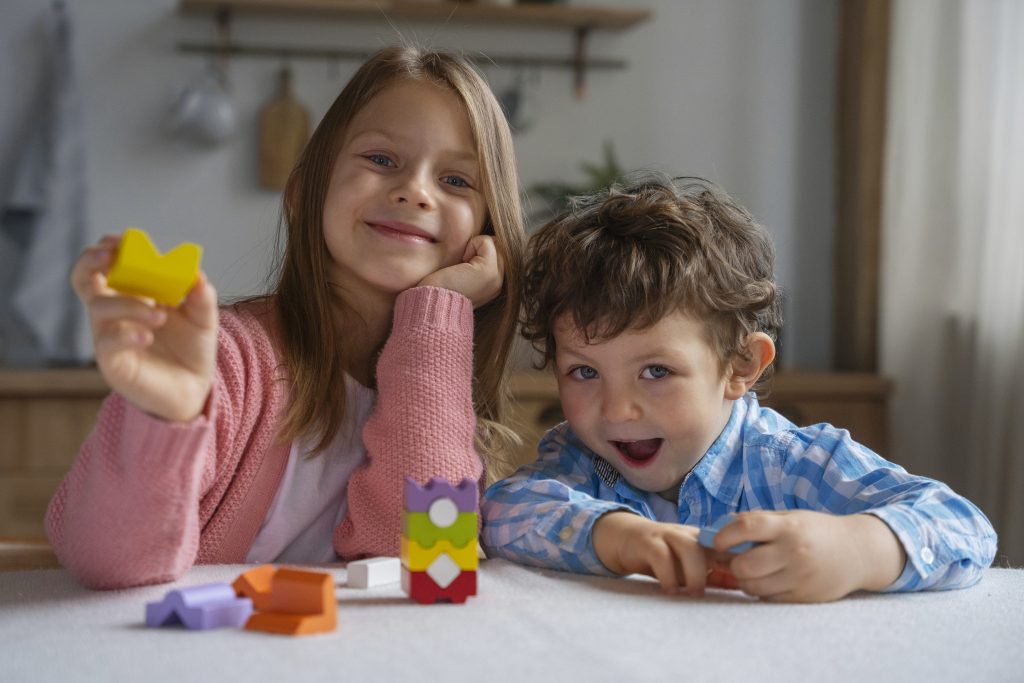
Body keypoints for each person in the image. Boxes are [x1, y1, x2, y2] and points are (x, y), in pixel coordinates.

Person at [46, 47, 526, 589]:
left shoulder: (442, 400)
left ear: (487, 237)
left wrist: (436, 315)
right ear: (304, 192)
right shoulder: (227, 361)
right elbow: (106, 563)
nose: (415, 190)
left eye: (457, 181)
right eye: (382, 160)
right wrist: (164, 416)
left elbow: (436, 568)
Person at [481, 175, 997, 603]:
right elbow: (503, 512)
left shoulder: (794, 464)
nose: (617, 410)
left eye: (656, 371)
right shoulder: (584, 460)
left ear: (741, 365)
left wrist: (858, 550)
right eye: (585, 372)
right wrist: (619, 537)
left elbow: (963, 525)